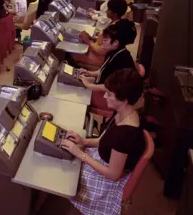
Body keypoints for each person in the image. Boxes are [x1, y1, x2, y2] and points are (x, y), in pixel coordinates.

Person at [63, 68, 146, 215]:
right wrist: (83, 141)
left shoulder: (125, 135)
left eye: (109, 94)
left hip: (108, 178)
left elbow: (113, 174)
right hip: (105, 157)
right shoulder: (123, 112)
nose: (105, 96)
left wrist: (80, 154)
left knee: (64, 171)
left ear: (124, 100)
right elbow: (104, 140)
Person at [78, 18, 137, 91]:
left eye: (105, 40)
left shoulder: (120, 60)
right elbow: (104, 70)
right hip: (107, 88)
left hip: (114, 95)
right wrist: (90, 73)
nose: (102, 41)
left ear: (115, 43)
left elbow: (109, 87)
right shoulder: (115, 51)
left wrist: (88, 85)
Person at [72, 0, 129, 69]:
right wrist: (91, 37)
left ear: (114, 14)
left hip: (100, 57)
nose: (106, 11)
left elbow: (102, 50)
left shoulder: (114, 29)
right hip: (97, 50)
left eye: (108, 10)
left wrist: (88, 42)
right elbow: (103, 41)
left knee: (73, 53)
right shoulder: (114, 23)